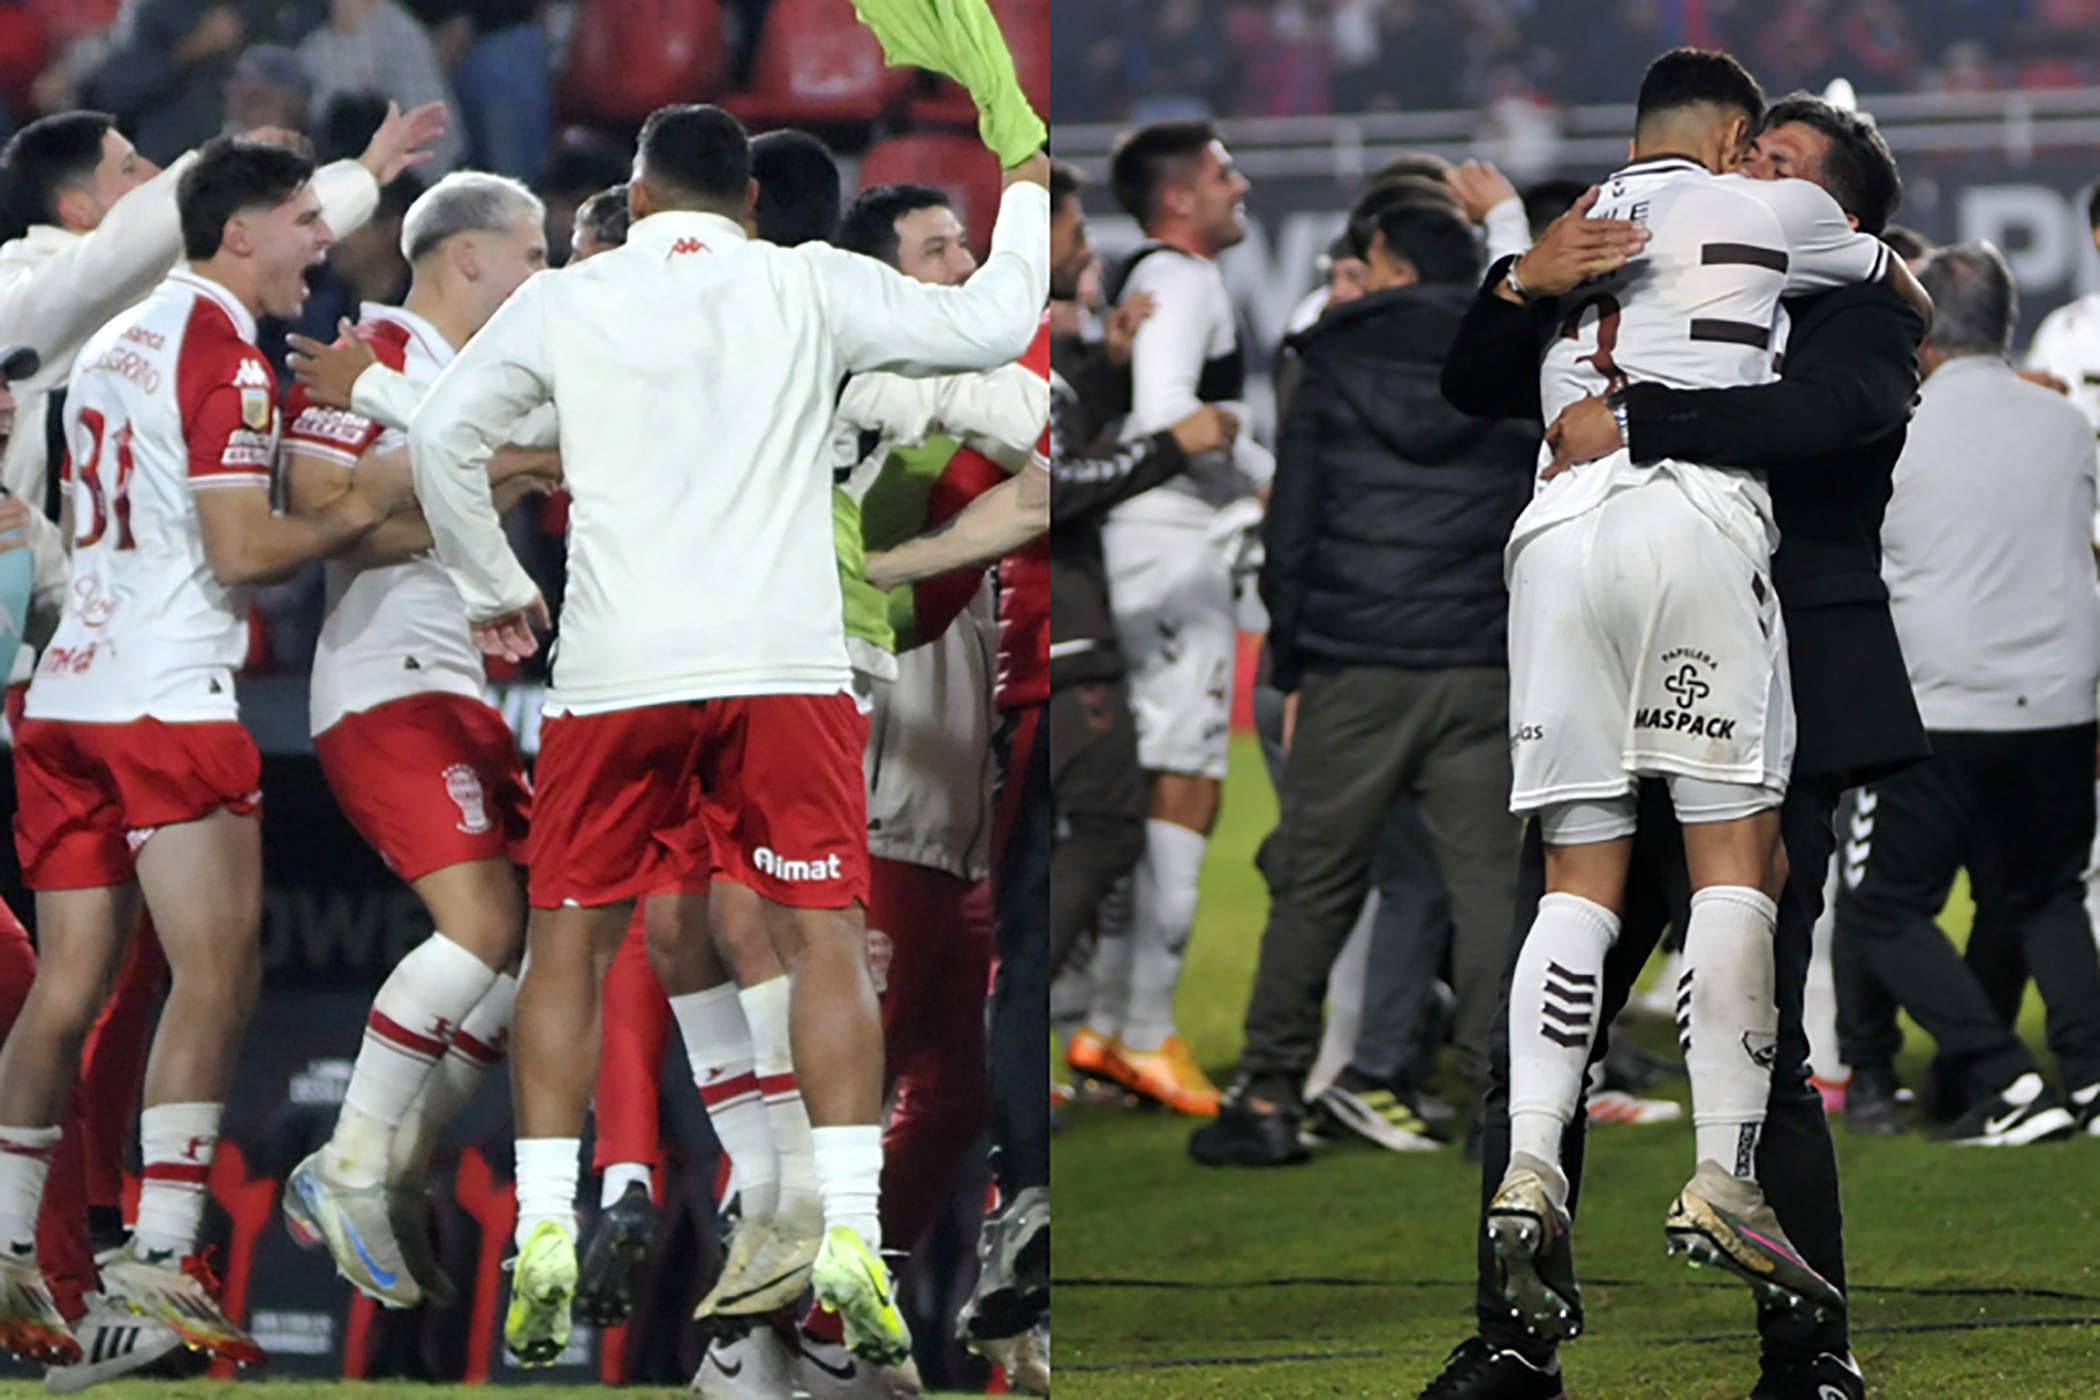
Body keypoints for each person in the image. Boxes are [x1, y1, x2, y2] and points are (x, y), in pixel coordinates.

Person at [404, 103, 1049, 1369]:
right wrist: (1022, 181)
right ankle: (852, 1229)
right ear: (748, 203)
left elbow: (442, 432)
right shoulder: (807, 283)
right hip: (786, 663)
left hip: (616, 667)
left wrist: (493, 588)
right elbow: (990, 326)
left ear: (636, 201)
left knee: (572, 947)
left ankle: (546, 1222)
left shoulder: (571, 297)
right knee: (816, 940)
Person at [1422, 86, 1930, 1400]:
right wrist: (1520, 279)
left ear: (1842, 204)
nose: (1758, 165)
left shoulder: (1857, 303)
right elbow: (1478, 383)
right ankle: (1514, 1341)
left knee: (1754, 1028)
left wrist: (1645, 418)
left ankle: (1808, 1353)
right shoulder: (1661, 245)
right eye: (1754, 147)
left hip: (1782, 681)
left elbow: (1827, 421)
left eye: (1790, 160)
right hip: (1663, 605)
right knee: (1541, 1028)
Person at [0, 135, 420, 1366]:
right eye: (302, 220)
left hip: (68, 691)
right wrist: (354, 510)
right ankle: (163, 1253)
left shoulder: (113, 342)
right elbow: (242, 553)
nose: (319, 243)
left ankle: (11, 1245)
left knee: (70, 983)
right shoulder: (216, 345)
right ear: (238, 233)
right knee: (217, 972)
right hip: (168, 699)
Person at [1189, 196, 1534, 1168]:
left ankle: (1266, 1095)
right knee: (1489, 893)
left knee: (1314, 886)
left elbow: (1291, 529)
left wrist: (1291, 664)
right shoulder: (1511, 353)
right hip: (1481, 660)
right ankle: (1508, 1109)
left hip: (1352, 665)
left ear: (1384, 261)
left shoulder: (1328, 358)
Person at [273, 171, 557, 1310]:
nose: (544, 277)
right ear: (469, 256)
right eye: (532, 254)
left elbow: (427, 496)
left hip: (459, 688)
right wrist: (503, 471)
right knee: (484, 924)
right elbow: (323, 504)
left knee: (538, 946)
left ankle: (395, 1166)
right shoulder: (373, 345)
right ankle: (347, 1162)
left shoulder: (489, 382)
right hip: (383, 679)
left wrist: (472, 471)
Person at [0, 101, 443, 668]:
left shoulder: (128, 321)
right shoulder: (26, 296)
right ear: (76, 208)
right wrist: (219, 161)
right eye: (132, 168)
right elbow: (145, 244)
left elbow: (253, 231)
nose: (157, 176)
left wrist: (362, 173)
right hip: (89, 656)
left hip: (74, 646)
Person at [1832, 242, 2100, 1145]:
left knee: (1881, 906)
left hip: (1938, 700)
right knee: (2047, 894)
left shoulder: (1890, 425)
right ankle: (2092, 1076)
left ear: (1921, 330)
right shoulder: (2067, 426)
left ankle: (2005, 1079)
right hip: (2062, 695)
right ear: (2008, 325)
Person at [1072, 119, 1272, 1118]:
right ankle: (1145, 1027)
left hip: (1150, 537)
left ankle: (1114, 1023)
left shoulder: (1163, 278)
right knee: (1182, 788)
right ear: (1179, 200)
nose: (1241, 184)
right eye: (1222, 171)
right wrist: (1265, 478)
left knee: (1167, 785)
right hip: (1169, 542)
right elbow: (1164, 416)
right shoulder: (1184, 279)